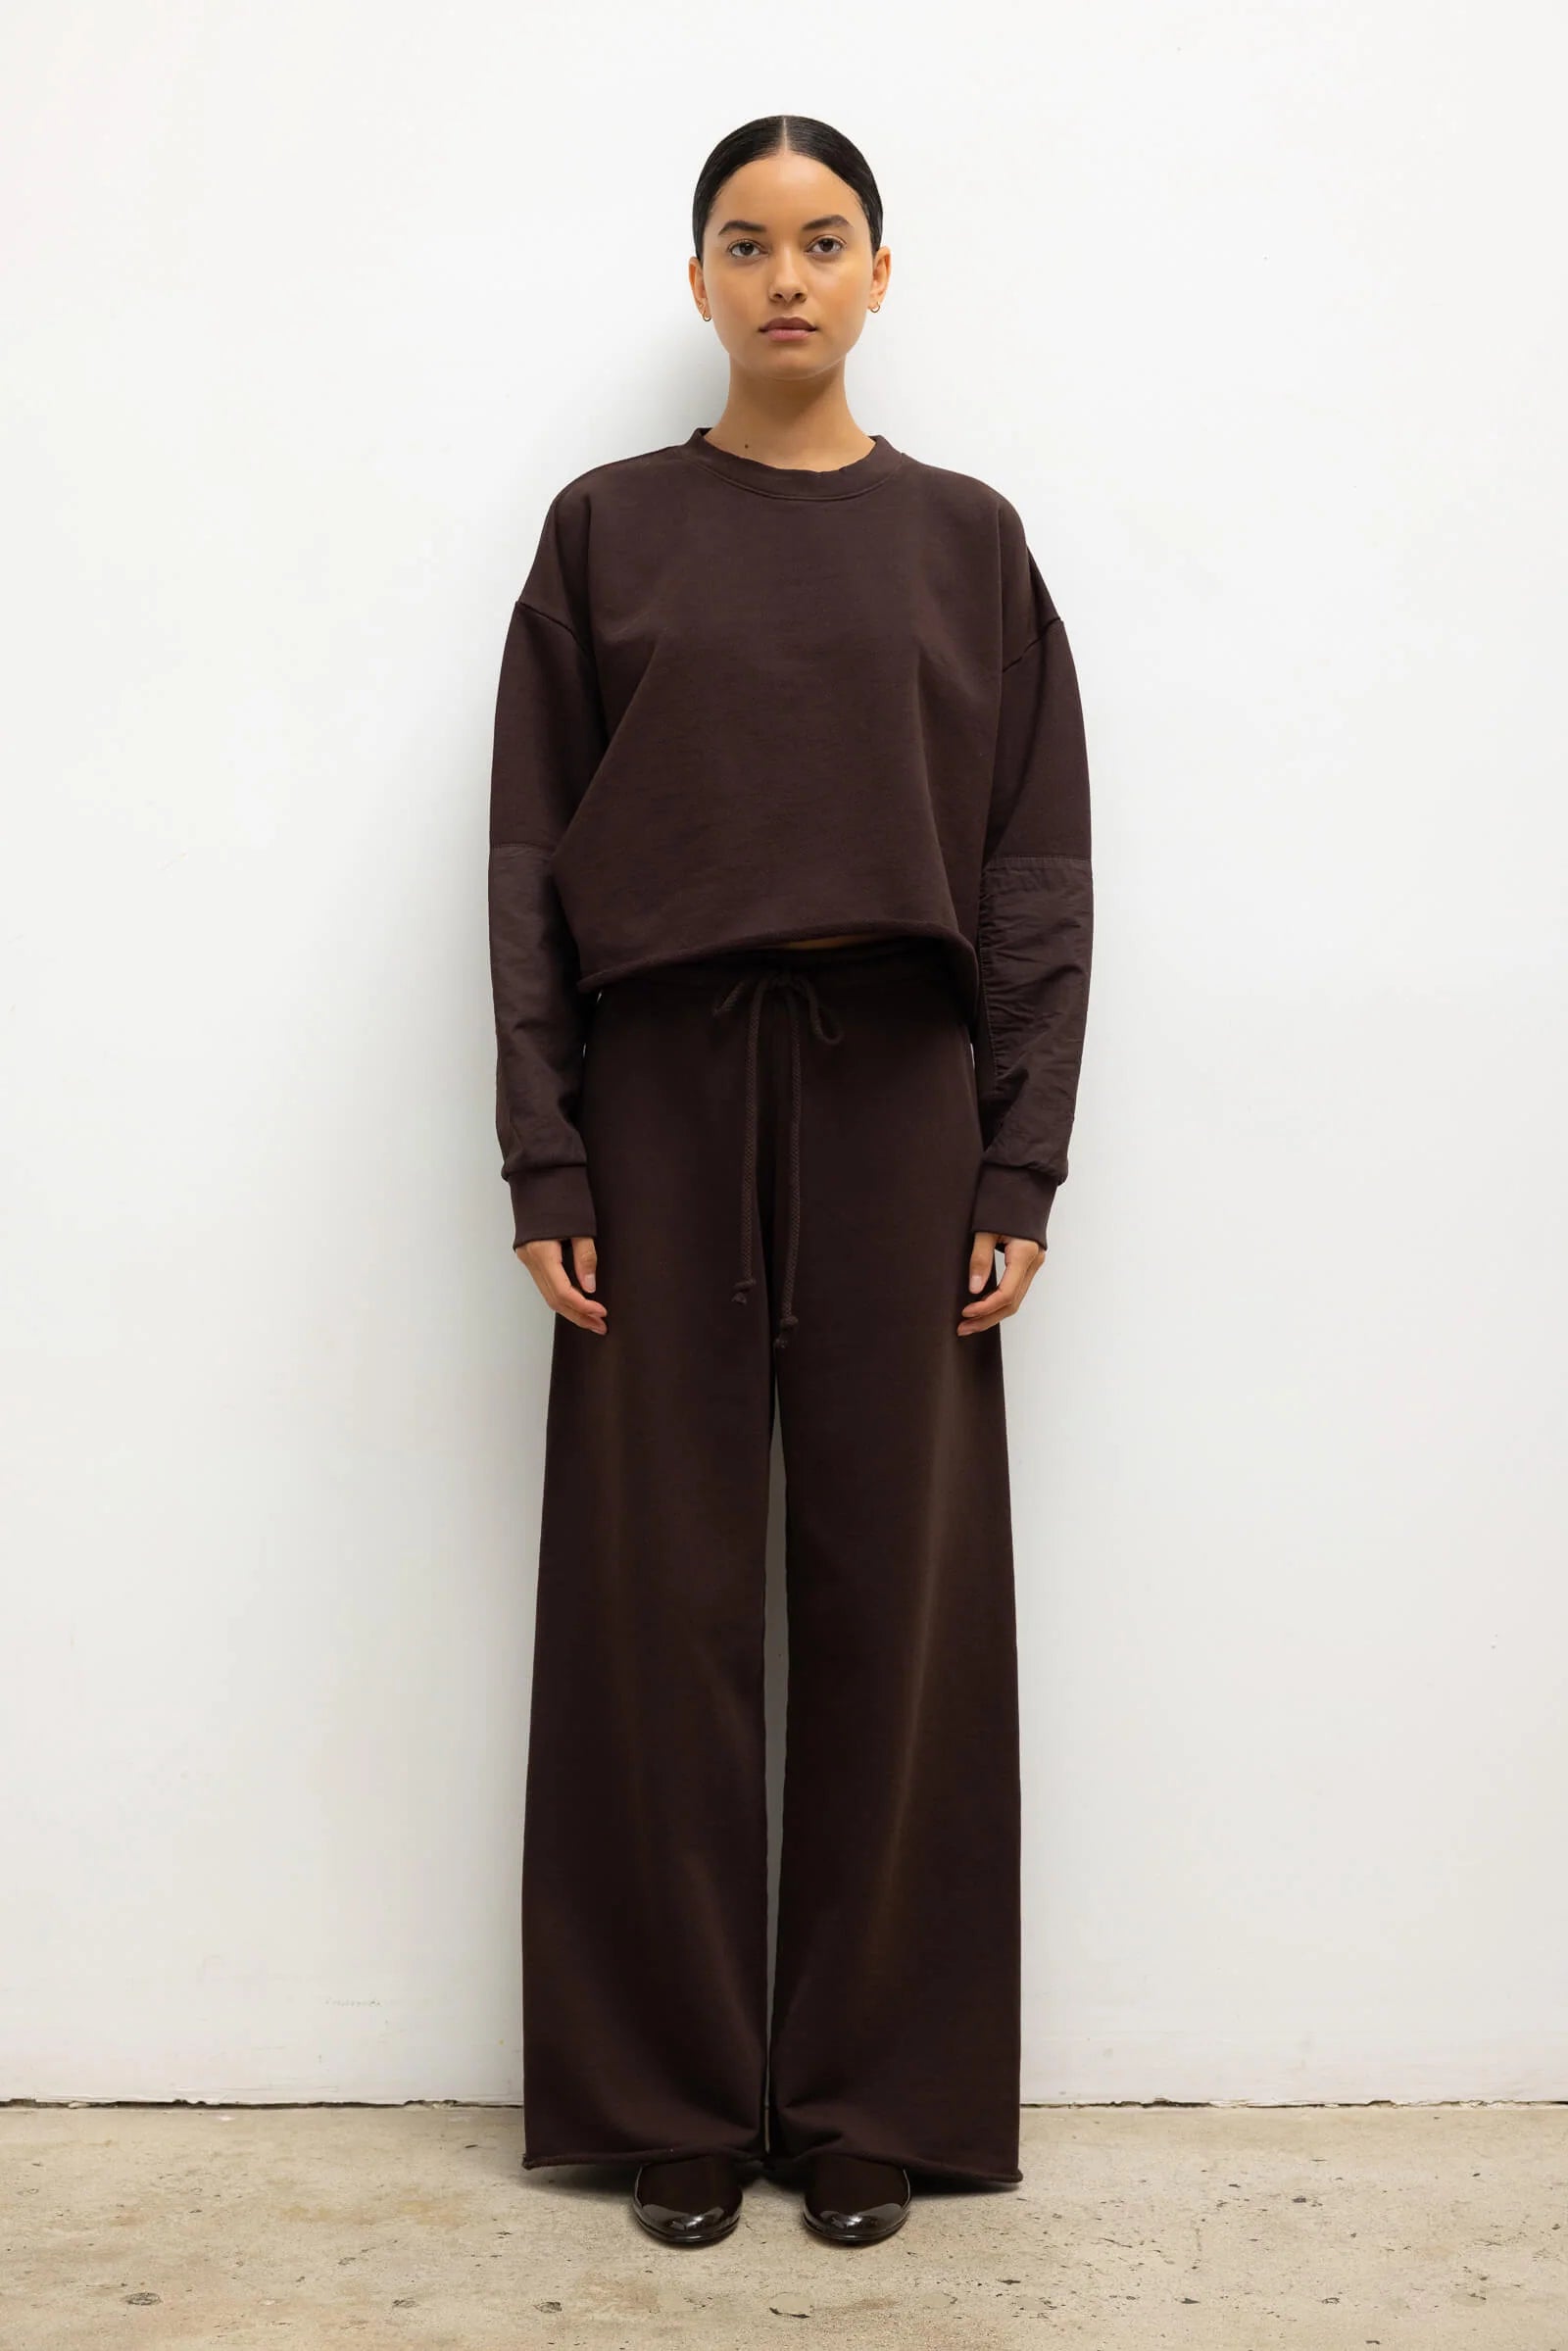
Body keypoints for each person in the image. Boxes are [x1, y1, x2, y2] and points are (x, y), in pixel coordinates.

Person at [486, 112, 1094, 2250]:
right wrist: (544, 1141)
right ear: (696, 282)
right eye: (744, 245)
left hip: (899, 1088)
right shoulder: (604, 533)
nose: (785, 279)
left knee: (892, 1591)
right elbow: (527, 859)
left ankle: (871, 2098)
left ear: (879, 273)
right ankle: (665, 2089)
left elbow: (1031, 874)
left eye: (823, 241)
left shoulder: (968, 543)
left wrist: (1018, 1152)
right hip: (657, 1080)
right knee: (650, 1591)